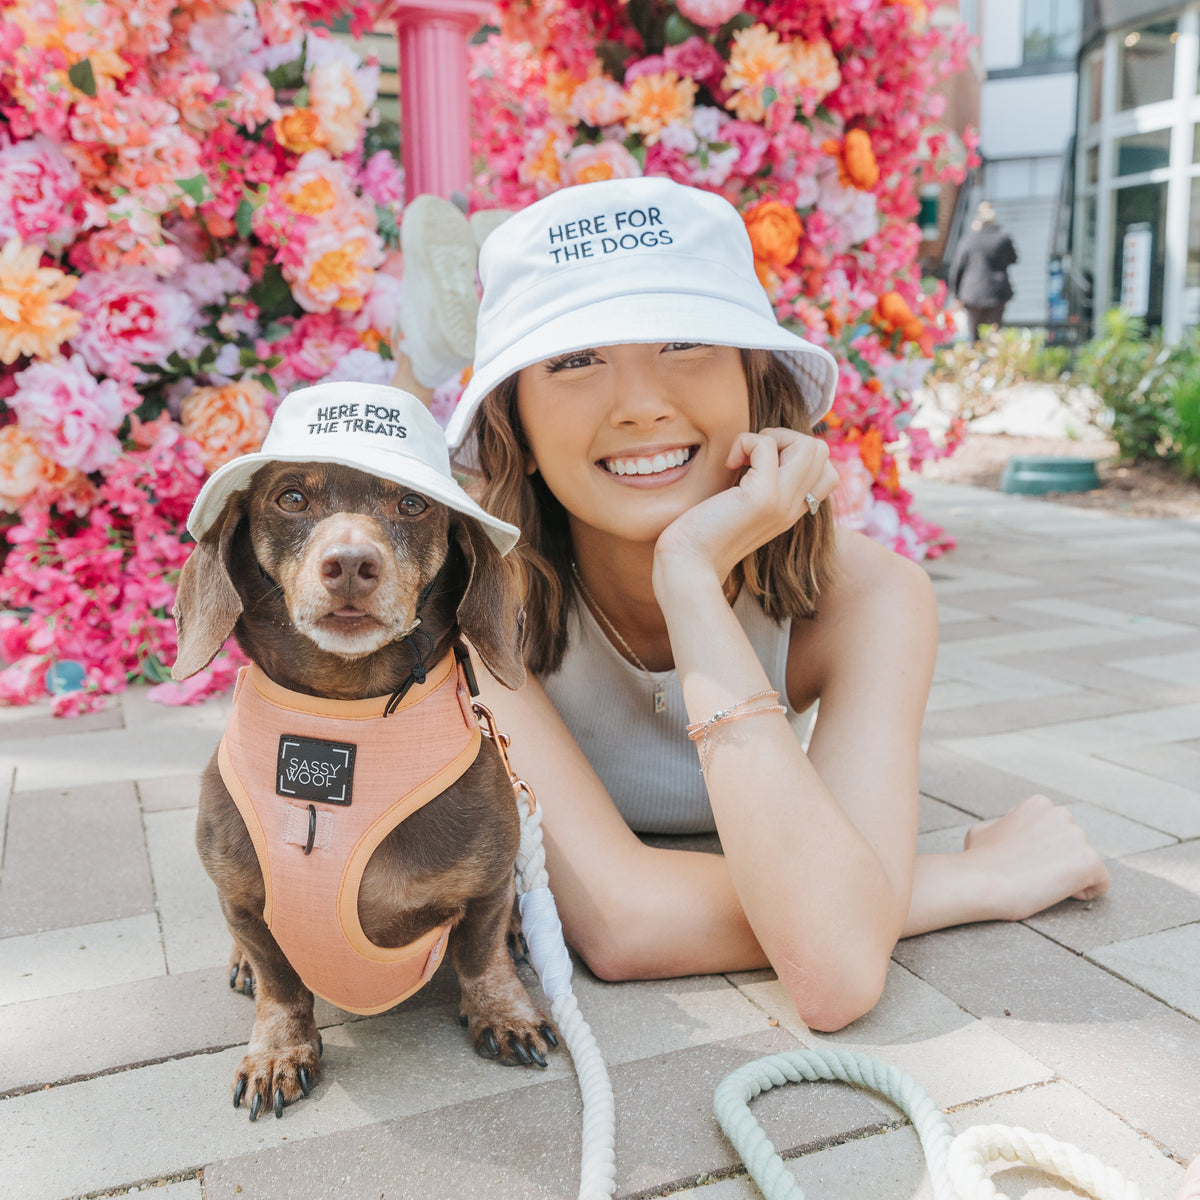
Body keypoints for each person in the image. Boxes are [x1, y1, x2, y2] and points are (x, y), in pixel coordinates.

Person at [391, 177, 1108, 1032]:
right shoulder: (478, 607)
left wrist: (690, 578)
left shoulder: (871, 596)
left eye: (686, 342)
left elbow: (833, 974)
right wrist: (966, 879)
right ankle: (427, 342)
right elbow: (627, 927)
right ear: (519, 430)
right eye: (576, 359)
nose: (640, 403)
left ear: (756, 386)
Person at [949, 200, 1018, 342]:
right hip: (997, 291)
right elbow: (1013, 259)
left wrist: (956, 294)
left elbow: (957, 269)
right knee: (995, 333)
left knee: (974, 334)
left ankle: (975, 358)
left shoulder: (969, 241)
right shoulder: (1003, 239)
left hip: (972, 292)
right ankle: (993, 361)